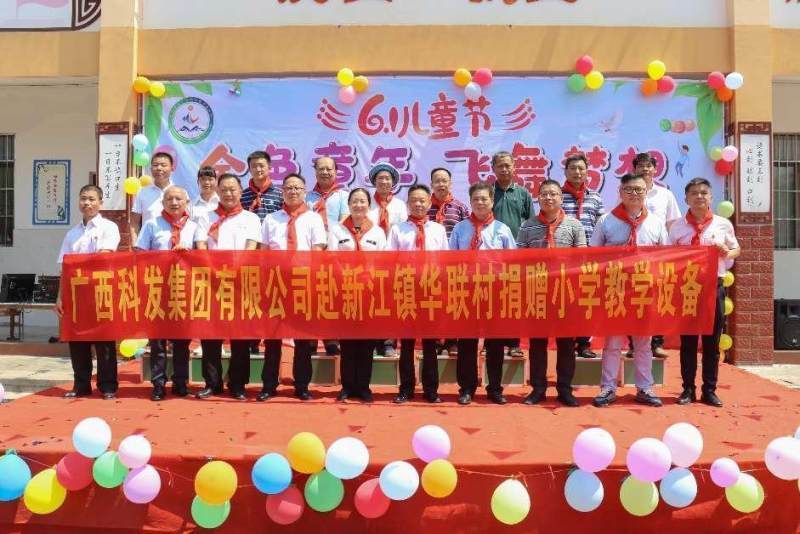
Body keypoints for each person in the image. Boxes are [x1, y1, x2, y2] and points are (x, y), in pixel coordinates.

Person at [590, 173, 668, 408]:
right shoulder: (606, 220)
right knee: (613, 342)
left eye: (639, 190)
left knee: (643, 342)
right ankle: (608, 388)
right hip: (615, 289)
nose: (634, 194)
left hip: (645, 289)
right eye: (629, 189)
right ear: (620, 192)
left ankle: (645, 387)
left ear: (646, 192)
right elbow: (593, 255)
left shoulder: (655, 222)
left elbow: (665, 256)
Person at [668, 177, 740, 407]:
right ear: (686, 199)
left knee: (712, 341)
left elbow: (736, 249)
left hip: (713, 288)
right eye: (694, 193)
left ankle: (709, 390)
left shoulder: (722, 224)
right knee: (688, 341)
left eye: (703, 193)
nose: (699, 197)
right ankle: (687, 389)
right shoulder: (677, 226)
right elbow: (668, 256)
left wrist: (726, 252)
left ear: (711, 197)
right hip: (687, 288)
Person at [517, 180, 586, 407]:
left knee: (566, 343)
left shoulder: (574, 225)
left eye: (553, 194)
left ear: (560, 198)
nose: (548, 198)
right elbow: (519, 259)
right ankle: (538, 388)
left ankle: (565, 389)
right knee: (537, 343)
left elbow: (582, 258)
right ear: (538, 198)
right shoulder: (527, 226)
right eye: (544, 194)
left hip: (566, 292)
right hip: (537, 291)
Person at [259, 173, 327, 402]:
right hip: (276, 283)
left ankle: (302, 385)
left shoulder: (313, 219)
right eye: (289, 187)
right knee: (272, 337)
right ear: (283, 191)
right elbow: (264, 252)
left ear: (304, 192)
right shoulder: (271, 219)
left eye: (297, 188)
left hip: (302, 283)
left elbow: (318, 251)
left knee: (303, 339)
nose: (293, 191)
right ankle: (269, 385)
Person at [194, 173, 261, 400]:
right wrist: (212, 271)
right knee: (210, 335)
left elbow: (251, 246)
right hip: (212, 281)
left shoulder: (251, 218)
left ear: (241, 192)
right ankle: (212, 383)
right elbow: (200, 244)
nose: (229, 194)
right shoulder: (206, 216)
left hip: (241, 282)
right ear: (217, 192)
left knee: (240, 336)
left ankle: (238, 384)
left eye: (233, 189)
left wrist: (235, 271)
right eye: (224, 190)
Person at [449, 182, 515, 405]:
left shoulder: (502, 230)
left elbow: (512, 262)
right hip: (467, 291)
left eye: (484, 198)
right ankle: (466, 388)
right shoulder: (460, 229)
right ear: (470, 202)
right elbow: (451, 261)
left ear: (492, 201)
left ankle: (494, 388)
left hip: (495, 292)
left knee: (495, 343)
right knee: (466, 342)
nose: (480, 202)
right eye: (475, 199)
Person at [55, 184, 120, 400]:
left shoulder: (109, 227)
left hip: (101, 291)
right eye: (83, 198)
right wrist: (60, 297)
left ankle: (108, 386)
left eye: (92, 199)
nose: (87, 203)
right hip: (77, 295)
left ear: (100, 202)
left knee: (104, 342)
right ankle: (81, 384)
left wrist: (80, 264)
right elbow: (65, 267)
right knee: (78, 341)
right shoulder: (72, 233)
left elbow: (103, 256)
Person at [134, 185, 197, 401]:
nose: (174, 203)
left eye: (179, 199)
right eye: (169, 199)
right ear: (163, 203)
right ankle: (158, 384)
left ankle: (180, 382)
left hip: (184, 289)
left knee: (182, 340)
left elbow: (203, 255)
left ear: (186, 202)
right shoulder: (151, 224)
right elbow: (140, 254)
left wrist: (188, 254)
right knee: (158, 341)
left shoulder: (194, 227)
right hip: (157, 289)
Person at [388, 184, 449, 403]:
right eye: (414, 200)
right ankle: (406, 389)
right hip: (406, 290)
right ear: (408, 204)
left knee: (430, 343)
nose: (418, 204)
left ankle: (431, 390)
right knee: (406, 343)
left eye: (422, 200)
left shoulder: (438, 230)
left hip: (431, 291)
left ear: (429, 203)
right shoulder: (397, 230)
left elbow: (445, 261)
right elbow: (389, 261)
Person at [328, 188, 387, 403]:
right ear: (349, 205)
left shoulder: (377, 232)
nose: (358, 205)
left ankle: (363, 386)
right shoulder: (337, 230)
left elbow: (383, 261)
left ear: (368, 206)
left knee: (366, 341)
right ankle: (347, 386)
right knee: (348, 341)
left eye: (363, 201)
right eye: (355, 201)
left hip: (369, 292)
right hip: (345, 290)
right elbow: (332, 258)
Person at [634, 152, 682, 358]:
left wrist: (671, 251)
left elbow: (673, 223)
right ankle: (634, 344)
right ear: (634, 169)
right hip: (635, 254)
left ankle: (657, 343)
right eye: (641, 166)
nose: (645, 169)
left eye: (648, 166)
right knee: (635, 300)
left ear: (655, 169)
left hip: (659, 254)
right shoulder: (628, 192)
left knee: (658, 299)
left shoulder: (665, 194)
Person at [560, 153, 605, 359]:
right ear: (565, 171)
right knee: (566, 301)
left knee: (587, 301)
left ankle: (584, 343)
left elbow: (601, 226)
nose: (577, 172)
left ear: (587, 171)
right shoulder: (557, 196)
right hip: (565, 259)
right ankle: (567, 341)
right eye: (572, 168)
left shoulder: (595, 197)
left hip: (589, 258)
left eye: (581, 168)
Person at [306, 156, 349, 356]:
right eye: (321, 169)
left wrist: (329, 239)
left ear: (335, 171)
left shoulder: (344, 196)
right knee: (311, 297)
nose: (325, 172)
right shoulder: (307, 197)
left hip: (334, 254)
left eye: (329, 169)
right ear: (315, 172)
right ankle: (310, 339)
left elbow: (345, 221)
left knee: (331, 296)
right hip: (312, 254)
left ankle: (331, 339)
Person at [491, 151, 531, 358]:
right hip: (492, 257)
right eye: (500, 166)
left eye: (508, 165)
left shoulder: (522, 193)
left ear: (514, 167)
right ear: (493, 169)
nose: (504, 169)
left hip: (516, 255)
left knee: (514, 299)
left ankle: (514, 343)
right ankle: (492, 342)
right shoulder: (488, 193)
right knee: (494, 300)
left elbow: (531, 223)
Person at [428, 167, 470, 357]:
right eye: (437, 181)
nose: (441, 184)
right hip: (430, 265)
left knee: (453, 302)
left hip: (454, 265)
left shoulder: (460, 207)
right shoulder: (424, 206)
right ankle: (436, 340)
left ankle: (453, 340)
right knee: (434, 302)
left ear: (450, 183)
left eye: (444, 180)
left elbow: (468, 231)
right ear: (432, 184)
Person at [367, 163, 408, 357]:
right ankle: (372, 340)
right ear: (374, 181)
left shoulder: (399, 205)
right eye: (380, 178)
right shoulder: (367, 202)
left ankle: (389, 341)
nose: (384, 181)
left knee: (390, 301)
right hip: (371, 258)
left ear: (393, 182)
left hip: (393, 260)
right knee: (372, 300)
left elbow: (404, 230)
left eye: (387, 178)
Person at [130, 151, 175, 244]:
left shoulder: (179, 192)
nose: (159, 168)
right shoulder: (142, 192)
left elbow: (185, 220)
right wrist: (135, 244)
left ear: (172, 168)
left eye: (163, 165)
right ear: (151, 169)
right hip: (148, 245)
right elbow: (134, 223)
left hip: (173, 245)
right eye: (155, 165)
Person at [240, 150, 283, 221]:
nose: (258, 169)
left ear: (269, 167)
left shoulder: (280, 194)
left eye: (261, 166)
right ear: (249, 169)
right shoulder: (242, 196)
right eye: (254, 166)